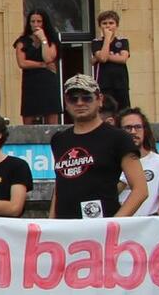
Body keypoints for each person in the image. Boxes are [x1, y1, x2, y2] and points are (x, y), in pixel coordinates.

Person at [49, 73, 145, 220]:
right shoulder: (59, 139)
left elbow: (140, 190)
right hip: (64, 228)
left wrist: (113, 224)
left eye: (86, 97)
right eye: (73, 99)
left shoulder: (118, 137)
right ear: (66, 103)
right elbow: (60, 185)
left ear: (99, 100)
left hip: (101, 226)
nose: (80, 103)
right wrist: (51, 223)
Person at [117, 108, 159, 216]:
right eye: (128, 128)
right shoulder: (109, 163)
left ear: (145, 130)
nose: (133, 132)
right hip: (115, 227)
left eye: (138, 127)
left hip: (147, 229)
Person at [15, 10, 62, 125]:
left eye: (39, 21)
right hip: (31, 81)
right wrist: (42, 65)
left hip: (48, 81)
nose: (36, 24)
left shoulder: (51, 40)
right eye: (33, 21)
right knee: (29, 114)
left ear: (44, 23)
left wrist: (43, 39)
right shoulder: (23, 41)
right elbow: (22, 63)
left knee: (51, 113)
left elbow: (48, 58)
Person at [92, 11, 131, 112]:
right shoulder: (97, 42)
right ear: (100, 26)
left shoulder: (122, 41)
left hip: (121, 82)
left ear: (116, 25)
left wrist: (100, 57)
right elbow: (103, 59)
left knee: (124, 110)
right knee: (106, 110)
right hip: (104, 83)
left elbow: (123, 58)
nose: (108, 26)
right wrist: (107, 39)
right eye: (104, 23)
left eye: (111, 23)